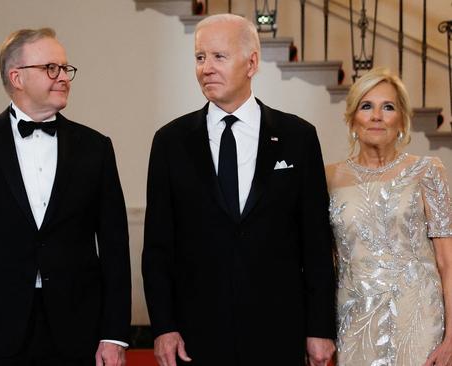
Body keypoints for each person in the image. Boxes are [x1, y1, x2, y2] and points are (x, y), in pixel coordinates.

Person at [141, 14, 337, 365]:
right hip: (195, 336)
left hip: (279, 331)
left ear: (252, 63)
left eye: (219, 56)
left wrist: (320, 327)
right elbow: (158, 247)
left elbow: (316, 244)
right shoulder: (170, 142)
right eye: (200, 57)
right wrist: (163, 327)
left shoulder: (298, 138)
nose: (206, 68)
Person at [0, 28, 131, 366]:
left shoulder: (95, 148)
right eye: (51, 68)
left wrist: (114, 334)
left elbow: (116, 247)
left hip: (79, 329)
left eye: (65, 69)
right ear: (17, 77)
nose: (63, 78)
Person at [327, 67, 452, 366]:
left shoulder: (428, 171)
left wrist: (451, 338)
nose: (376, 116)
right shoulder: (328, 178)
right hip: (354, 321)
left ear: (402, 120)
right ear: (352, 119)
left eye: (388, 107)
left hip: (420, 320)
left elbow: (447, 261)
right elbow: (325, 261)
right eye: (366, 106)